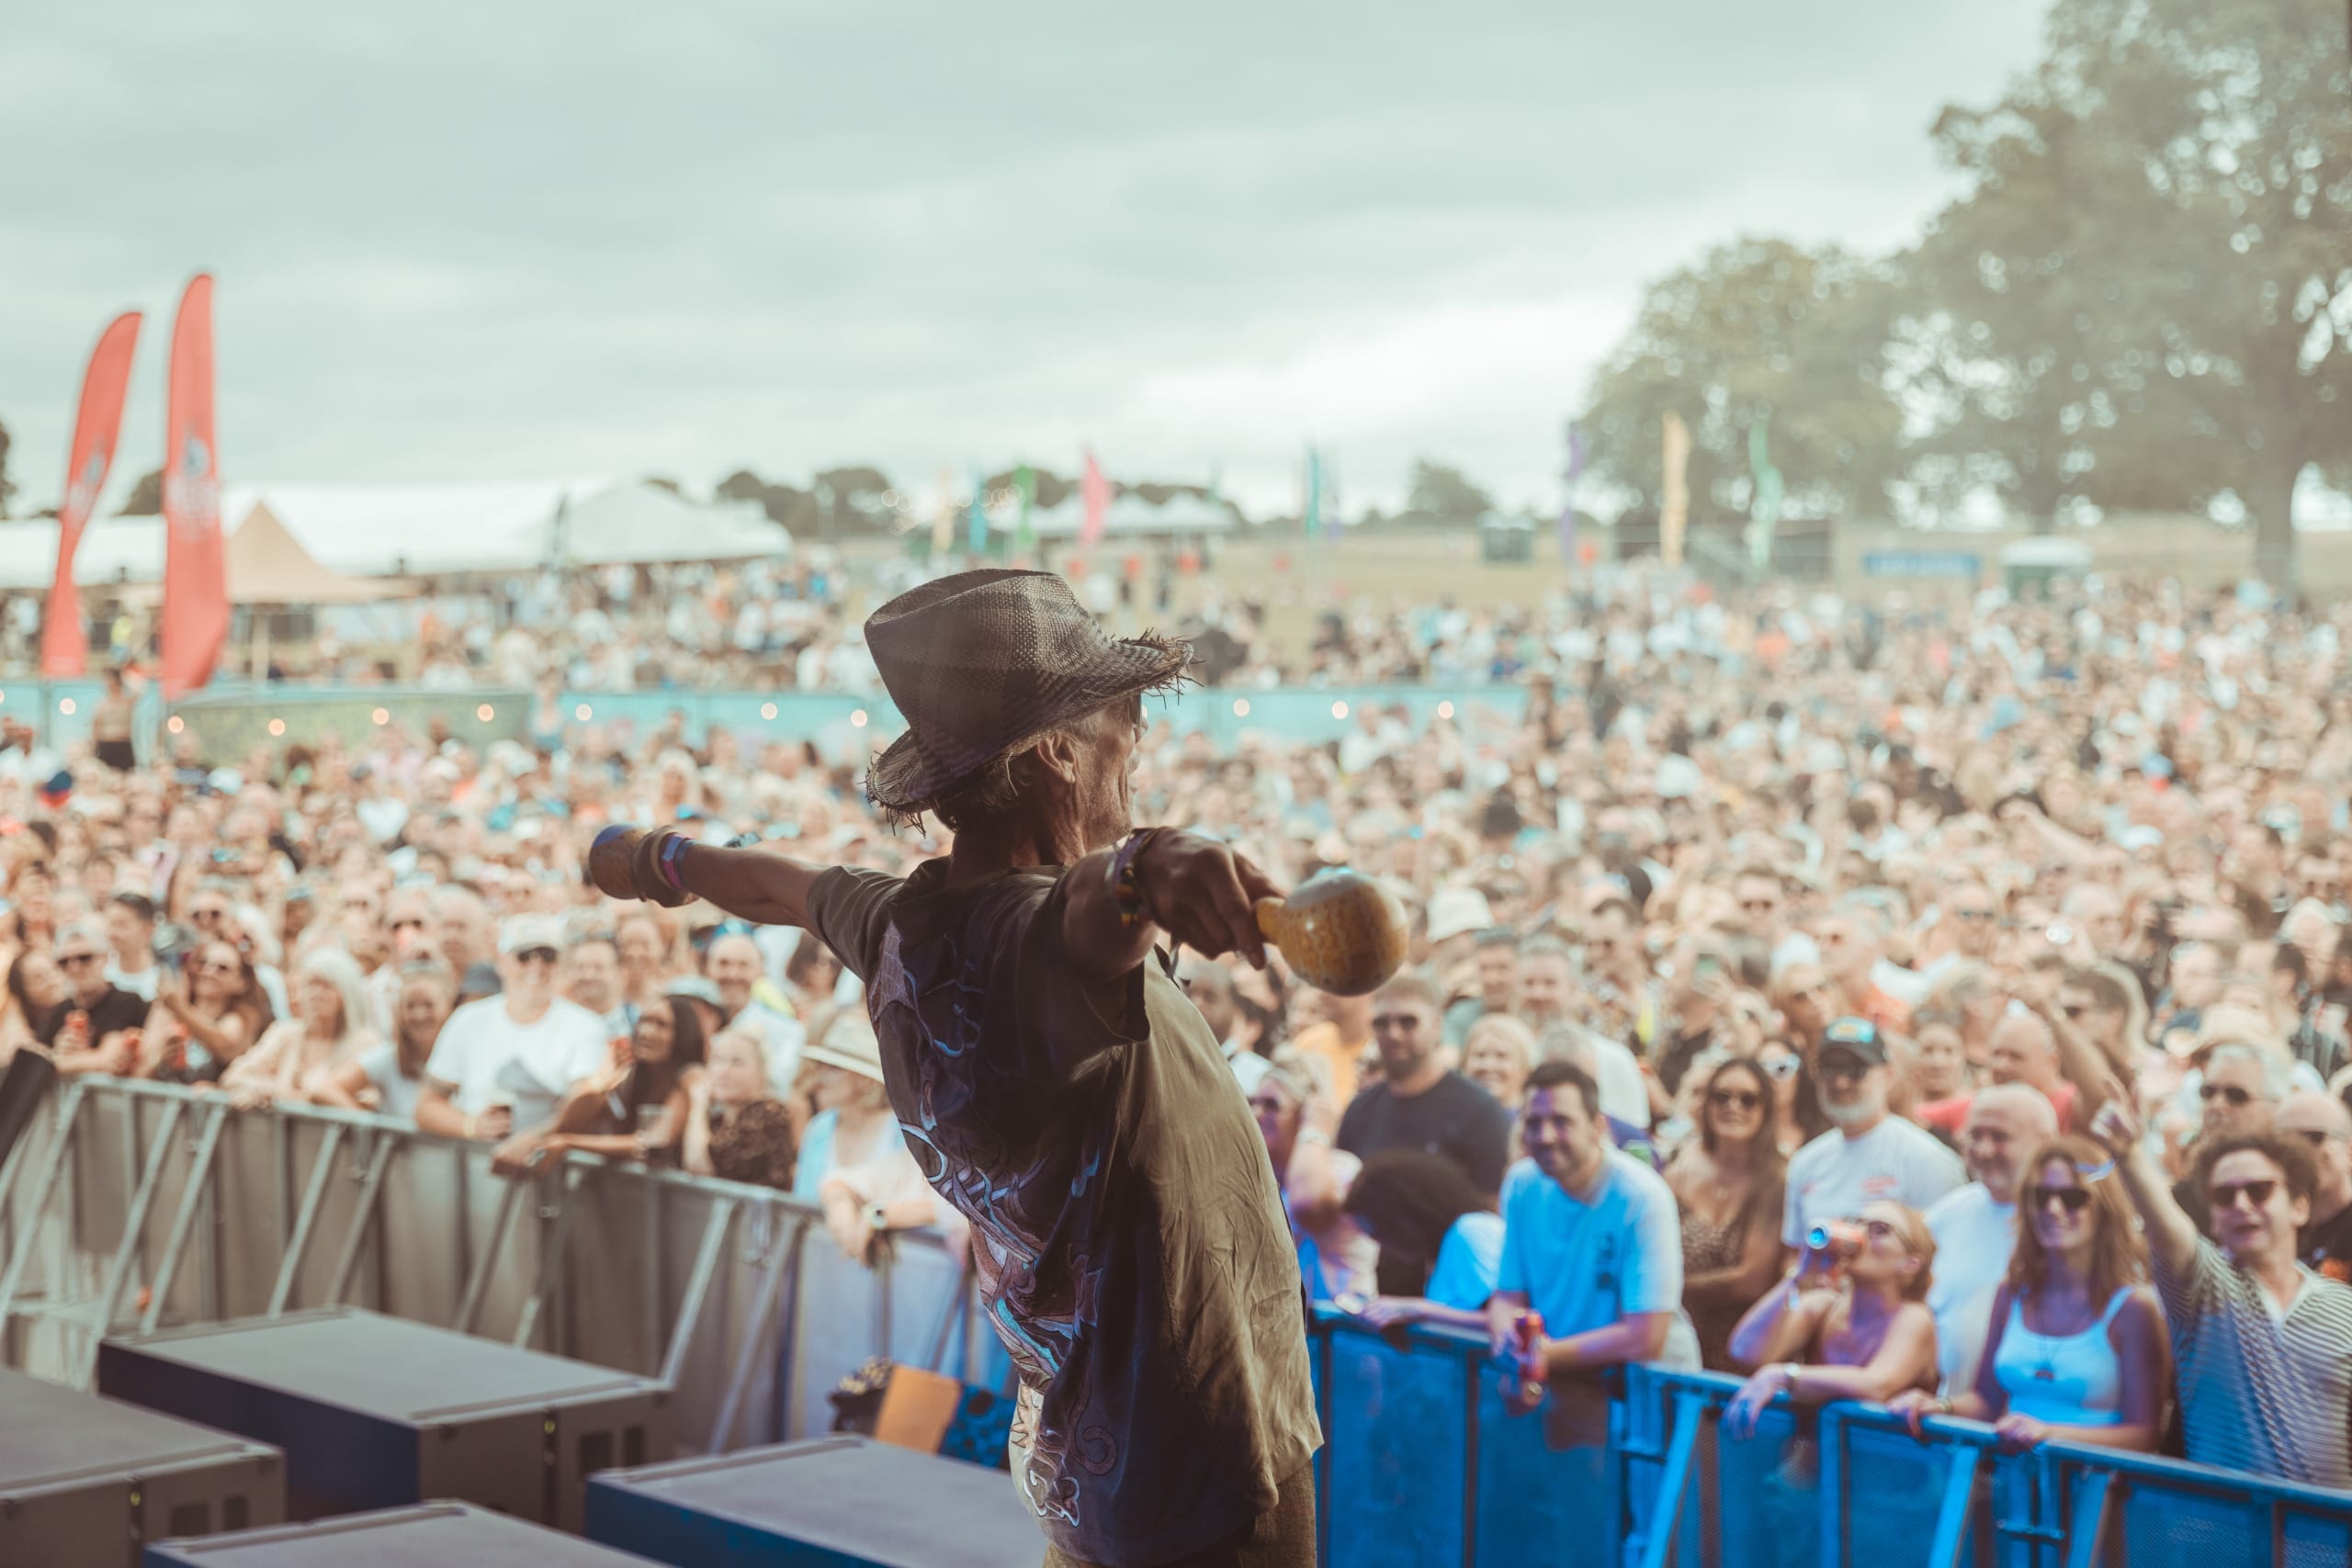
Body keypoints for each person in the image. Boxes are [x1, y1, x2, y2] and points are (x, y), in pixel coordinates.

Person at [594, 570, 1319, 1568]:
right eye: (1124, 726)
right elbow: (1085, 913)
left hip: (1094, 1448)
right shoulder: (1029, 939)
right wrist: (1149, 865)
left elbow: (774, 885)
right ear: (1057, 751)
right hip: (1199, 1462)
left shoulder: (897, 921)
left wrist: (651, 858)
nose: (1138, 748)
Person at [2088, 1096, 2352, 1486]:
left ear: (2299, 1206)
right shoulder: (2204, 1289)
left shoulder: (2343, 1305)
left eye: (2259, 1191)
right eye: (2224, 1196)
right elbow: (2166, 1229)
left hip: (2323, 1539)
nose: (2242, 1205)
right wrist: (2129, 1157)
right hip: (2218, 1536)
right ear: (2212, 1218)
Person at [1889, 1135, 2166, 1452]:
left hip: (2096, 1491)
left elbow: (2145, 1434)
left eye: (2073, 1197)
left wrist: (2049, 1433)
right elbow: (1986, 1401)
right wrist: (1938, 1406)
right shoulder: (2012, 1293)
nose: (2053, 1209)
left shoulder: (2133, 1307)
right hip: (2015, 1484)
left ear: (2103, 1208)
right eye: (2040, 1196)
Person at [1486, 1059, 1700, 1404]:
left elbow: (1645, 1336)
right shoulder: (1521, 1183)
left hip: (1647, 1395)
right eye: (1534, 1123)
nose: (1546, 1136)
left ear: (1597, 1126)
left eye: (1562, 1122)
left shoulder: (1641, 1196)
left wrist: (1540, 1355)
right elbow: (1510, 1295)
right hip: (1568, 1384)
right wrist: (1509, 1341)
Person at [1722, 1201, 1939, 1438]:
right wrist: (1800, 1274)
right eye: (1855, 1223)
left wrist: (1783, 1376)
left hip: (1886, 1468)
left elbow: (1876, 1385)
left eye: (1879, 1229)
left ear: (1910, 1264)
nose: (1860, 1235)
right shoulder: (1823, 1307)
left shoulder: (1914, 1317)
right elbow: (1745, 1351)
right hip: (1810, 1467)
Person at [413, 915, 611, 1148]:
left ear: (560, 964)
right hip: (474, 1172)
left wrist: (530, 1142)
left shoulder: (586, 1026)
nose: (536, 967)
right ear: (502, 961)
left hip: (550, 1171)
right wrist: (470, 1125)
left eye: (548, 957)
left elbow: (584, 1106)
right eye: (524, 956)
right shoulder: (468, 1019)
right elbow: (426, 1106)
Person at [1923, 1085, 2058, 1393]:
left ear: (2046, 1143)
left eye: (2000, 1137)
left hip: (2034, 1423)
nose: (1983, 1150)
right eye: (1975, 1135)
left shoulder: (2071, 1222)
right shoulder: (1945, 1213)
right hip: (1949, 1414)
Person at [1782, 1018, 1962, 1248]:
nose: (1840, 1082)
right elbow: (1795, 1255)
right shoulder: (1805, 1162)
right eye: (1829, 1069)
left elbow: (1945, 1253)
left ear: (1888, 1075)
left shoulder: (1927, 1159)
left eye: (1856, 1070)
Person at [1336, 972, 1511, 1197]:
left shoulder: (1479, 1111)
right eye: (1382, 1023)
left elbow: (1490, 1212)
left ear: (1436, 1026)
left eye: (1408, 1022)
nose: (1394, 1033)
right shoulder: (1359, 1111)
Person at [1665, 1056, 1788, 1371]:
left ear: (1766, 1110)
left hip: (1736, 1350)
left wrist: (1669, 1286)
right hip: (1674, 1340)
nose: (1733, 1106)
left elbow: (1750, 1281)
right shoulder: (1681, 1168)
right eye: (1722, 1096)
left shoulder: (1776, 1181)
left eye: (1748, 1100)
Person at [500, 993, 706, 1173]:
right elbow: (569, 1121)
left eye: (661, 1025)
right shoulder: (632, 1076)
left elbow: (650, 1142)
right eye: (644, 1021)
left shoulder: (689, 1079)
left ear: (683, 1033)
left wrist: (569, 1143)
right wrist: (602, 1081)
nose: (646, 1032)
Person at [1249, 1052, 1375, 1303]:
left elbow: (1309, 1205)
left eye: (1272, 1105)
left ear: (1306, 1112)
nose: (1256, 1114)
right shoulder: (1262, 1179)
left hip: (1341, 1332)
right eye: (1252, 1102)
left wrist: (1315, 1129)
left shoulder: (1341, 1168)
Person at [1341, 1150, 1503, 1330]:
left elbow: (1508, 1320)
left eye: (1379, 1233)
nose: (1383, 1246)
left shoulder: (1472, 1230)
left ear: (1402, 1219)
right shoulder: (1441, 1252)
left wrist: (1419, 1310)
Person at [222, 948, 381, 1103]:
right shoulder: (285, 1033)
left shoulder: (365, 1042)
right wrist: (261, 1089)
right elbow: (234, 1076)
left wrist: (285, 1096)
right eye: (311, 984)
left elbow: (368, 1102)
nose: (316, 993)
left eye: (327, 985)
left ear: (347, 992)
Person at [313, 960, 453, 1121]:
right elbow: (325, 1089)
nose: (419, 1015)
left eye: (428, 1005)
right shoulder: (390, 1057)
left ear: (447, 1008)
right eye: (410, 1006)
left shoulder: (460, 1056)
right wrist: (369, 1124)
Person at [683, 1025, 798, 1190]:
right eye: (718, 1060)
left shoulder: (769, 1114)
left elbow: (697, 1165)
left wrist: (698, 1104)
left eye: (737, 1062)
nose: (724, 1070)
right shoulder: (718, 1120)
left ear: (762, 1073)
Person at [139, 940, 267, 1085]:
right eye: (202, 963)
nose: (209, 972)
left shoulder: (244, 1018)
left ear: (241, 982)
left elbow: (223, 1042)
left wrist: (179, 1009)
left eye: (222, 968)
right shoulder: (167, 1009)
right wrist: (158, 1058)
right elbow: (140, 1070)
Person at [39, 919, 147, 1076]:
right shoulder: (60, 1009)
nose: (74, 967)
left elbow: (107, 1058)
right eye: (64, 961)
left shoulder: (126, 1002)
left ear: (105, 958)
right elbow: (32, 1056)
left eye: (85, 958)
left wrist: (55, 1061)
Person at [2278, 1089, 2352, 1281]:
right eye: (2283, 1141)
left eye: (2313, 1138)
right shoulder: (2264, 1224)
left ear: (2349, 1150)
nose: (2297, 1151)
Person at [1179, 955, 1271, 1094]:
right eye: (1188, 994)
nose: (1196, 1004)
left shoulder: (1259, 1077)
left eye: (1210, 998)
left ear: (1234, 1008)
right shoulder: (1163, 1062)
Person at [1460, 1012, 1536, 1112]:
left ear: (1525, 1069)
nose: (1488, 1066)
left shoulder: (1533, 1123)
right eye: (1480, 1055)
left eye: (1501, 1056)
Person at [105, 891, 162, 1002]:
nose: (113, 933)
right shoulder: (101, 973)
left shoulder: (163, 977)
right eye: (112, 924)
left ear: (148, 929)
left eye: (122, 925)